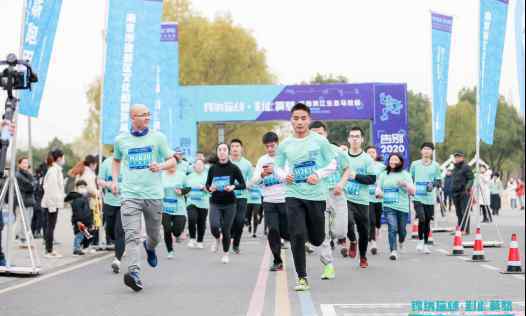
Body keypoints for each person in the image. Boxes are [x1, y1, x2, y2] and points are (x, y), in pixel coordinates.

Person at [111, 104, 177, 292]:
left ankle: (150, 247)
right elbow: (116, 160)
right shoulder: (121, 140)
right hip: (130, 195)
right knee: (132, 236)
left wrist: (162, 166)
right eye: (144, 115)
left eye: (149, 114)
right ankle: (134, 273)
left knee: (154, 236)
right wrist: (115, 180)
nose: (148, 117)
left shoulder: (158, 138)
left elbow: (173, 159)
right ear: (133, 117)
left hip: (154, 195)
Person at [272, 103, 337, 291]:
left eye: (303, 118)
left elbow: (332, 163)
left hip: (316, 195)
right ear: (291, 121)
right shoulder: (285, 145)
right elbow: (277, 167)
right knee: (297, 235)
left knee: (317, 239)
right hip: (294, 194)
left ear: (308, 120)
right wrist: (285, 175)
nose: (299, 122)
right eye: (295, 118)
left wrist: (318, 175)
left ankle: (316, 230)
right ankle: (302, 277)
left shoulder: (319, 141)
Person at [309, 121, 349, 280]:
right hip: (318, 195)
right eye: (314, 134)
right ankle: (328, 266)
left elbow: (347, 170)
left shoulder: (337, 151)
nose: (317, 137)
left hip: (337, 194)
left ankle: (332, 236)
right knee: (323, 232)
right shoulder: (308, 154)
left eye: (320, 133)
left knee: (340, 232)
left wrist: (341, 183)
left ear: (325, 134)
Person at [252, 132, 289, 272]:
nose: (270, 149)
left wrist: (275, 171)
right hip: (268, 201)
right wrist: (262, 174)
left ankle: (301, 241)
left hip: (284, 199)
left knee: (286, 231)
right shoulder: (262, 160)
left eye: (272, 146)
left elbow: (288, 178)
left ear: (277, 144)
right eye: (267, 146)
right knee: (273, 230)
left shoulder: (284, 159)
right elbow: (254, 181)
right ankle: (277, 260)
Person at [340, 127, 376, 268]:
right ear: (348, 139)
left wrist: (355, 176)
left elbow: (371, 179)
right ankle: (352, 240)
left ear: (362, 140)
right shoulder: (343, 157)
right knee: (347, 222)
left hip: (362, 200)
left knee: (364, 231)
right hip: (345, 198)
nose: (354, 139)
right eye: (352, 136)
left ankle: (363, 257)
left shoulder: (367, 159)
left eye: (357, 136)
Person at [206, 143, 246, 264]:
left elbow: (243, 184)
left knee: (226, 229)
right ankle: (217, 239)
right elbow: (207, 184)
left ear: (228, 152)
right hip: (215, 202)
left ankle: (225, 253)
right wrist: (210, 188)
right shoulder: (212, 168)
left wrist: (234, 186)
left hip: (230, 203)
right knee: (213, 226)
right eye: (220, 150)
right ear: (217, 153)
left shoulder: (234, 168)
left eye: (224, 150)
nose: (222, 152)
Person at [376, 153, 415, 260]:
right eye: (391, 160)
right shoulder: (384, 174)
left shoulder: (405, 174)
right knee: (392, 228)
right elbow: (378, 187)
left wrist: (405, 185)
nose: (393, 162)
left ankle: (401, 241)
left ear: (400, 162)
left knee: (402, 230)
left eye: (395, 160)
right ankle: (393, 250)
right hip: (388, 206)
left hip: (402, 207)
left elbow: (413, 191)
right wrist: (378, 193)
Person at [410, 142, 441, 254]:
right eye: (425, 149)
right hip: (417, 196)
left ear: (432, 152)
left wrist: (433, 185)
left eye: (429, 149)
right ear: (421, 151)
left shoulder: (436, 165)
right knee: (421, 218)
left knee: (427, 221)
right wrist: (410, 190)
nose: (427, 151)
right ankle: (420, 240)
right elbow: (410, 179)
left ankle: (425, 244)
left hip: (429, 197)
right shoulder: (415, 164)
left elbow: (439, 181)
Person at [98, 151, 125, 273]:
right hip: (109, 201)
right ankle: (118, 244)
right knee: (110, 230)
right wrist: (108, 184)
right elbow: (99, 181)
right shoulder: (106, 162)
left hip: (124, 202)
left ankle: (117, 260)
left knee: (120, 230)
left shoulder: (129, 163)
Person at [68, 155, 101, 251]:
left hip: (78, 201)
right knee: (89, 224)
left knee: (81, 224)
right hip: (88, 202)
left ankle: (81, 245)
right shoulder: (89, 173)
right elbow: (90, 188)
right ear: (92, 164)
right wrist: (99, 193)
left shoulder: (81, 171)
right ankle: (83, 245)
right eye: (96, 165)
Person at [229, 139, 254, 254]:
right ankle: (229, 236)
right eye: (233, 146)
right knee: (230, 221)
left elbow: (251, 180)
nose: (235, 148)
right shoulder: (225, 162)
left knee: (239, 221)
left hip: (242, 196)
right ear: (230, 149)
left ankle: (236, 244)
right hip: (227, 197)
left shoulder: (247, 164)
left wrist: (248, 185)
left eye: (237, 146)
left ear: (241, 148)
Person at [41, 149, 66, 258]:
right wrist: (52, 206)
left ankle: (50, 250)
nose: (64, 160)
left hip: (54, 203)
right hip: (52, 204)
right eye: (63, 157)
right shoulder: (53, 171)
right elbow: (50, 189)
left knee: (51, 226)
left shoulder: (56, 170)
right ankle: (48, 251)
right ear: (59, 158)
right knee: (50, 227)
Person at [161, 163, 188, 259]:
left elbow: (188, 188)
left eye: (173, 164)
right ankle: (170, 250)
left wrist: (182, 191)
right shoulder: (161, 175)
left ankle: (177, 235)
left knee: (177, 231)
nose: (172, 166)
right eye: (169, 164)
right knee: (167, 228)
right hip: (165, 207)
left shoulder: (182, 175)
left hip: (179, 208)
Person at [184, 158, 209, 249]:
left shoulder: (207, 177)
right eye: (197, 165)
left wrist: (204, 188)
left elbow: (211, 190)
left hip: (203, 203)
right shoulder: (189, 177)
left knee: (201, 222)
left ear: (203, 167)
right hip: (191, 202)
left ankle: (200, 241)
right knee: (192, 218)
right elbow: (185, 189)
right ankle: (192, 239)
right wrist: (186, 193)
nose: (198, 166)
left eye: (200, 165)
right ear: (194, 166)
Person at [365, 146, 385, 255]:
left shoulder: (382, 167)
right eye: (369, 152)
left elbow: (387, 178)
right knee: (371, 220)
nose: (371, 154)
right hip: (367, 197)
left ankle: (378, 228)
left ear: (376, 154)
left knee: (377, 220)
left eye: (373, 152)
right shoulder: (363, 166)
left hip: (378, 198)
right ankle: (373, 242)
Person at [65, 180, 93, 256]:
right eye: (81, 187)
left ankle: (83, 247)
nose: (83, 189)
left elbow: (87, 210)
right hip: (80, 221)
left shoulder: (85, 197)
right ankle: (76, 248)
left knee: (86, 235)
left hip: (86, 220)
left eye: (84, 187)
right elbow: (77, 212)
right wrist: (78, 221)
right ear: (77, 188)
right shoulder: (77, 199)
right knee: (79, 235)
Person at [451, 151, 474, 235]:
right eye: (456, 157)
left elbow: (471, 178)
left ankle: (466, 230)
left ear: (462, 158)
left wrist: (467, 188)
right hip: (455, 193)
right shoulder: (454, 168)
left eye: (459, 157)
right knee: (458, 212)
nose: (457, 158)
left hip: (464, 192)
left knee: (465, 212)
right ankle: (460, 228)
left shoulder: (466, 167)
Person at [15, 157, 36, 248]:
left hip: (29, 201)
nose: (25, 164)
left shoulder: (28, 174)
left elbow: (34, 185)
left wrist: (33, 183)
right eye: (23, 163)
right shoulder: (18, 175)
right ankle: (22, 240)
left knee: (28, 221)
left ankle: (25, 239)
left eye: (27, 163)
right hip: (23, 201)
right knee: (23, 221)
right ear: (19, 164)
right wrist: (34, 183)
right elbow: (30, 186)